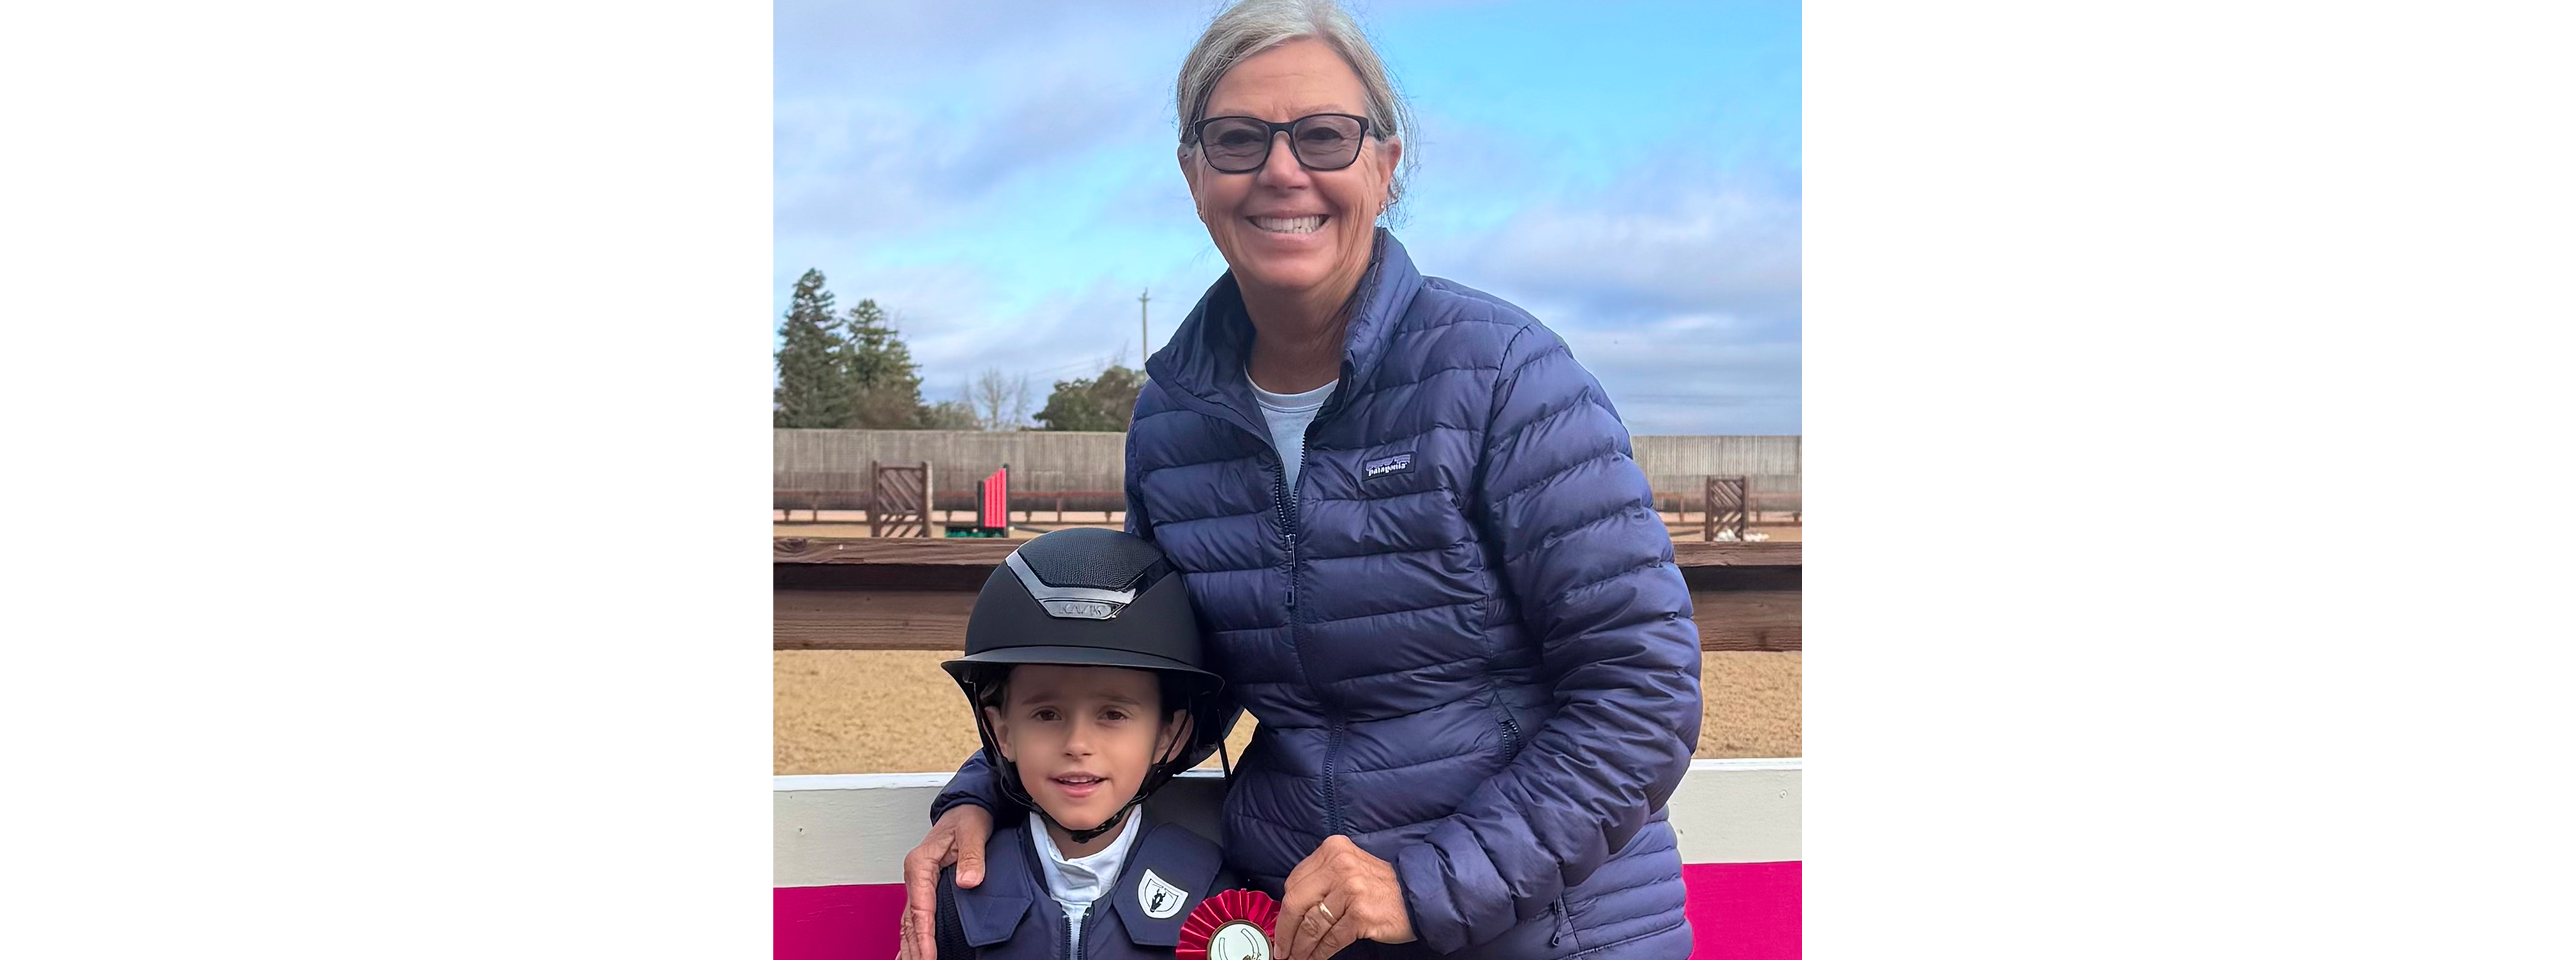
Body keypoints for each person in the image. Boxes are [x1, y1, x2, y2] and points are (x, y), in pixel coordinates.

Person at [902, 2, 1704, 958]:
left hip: (1555, 928)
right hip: (1301, 926)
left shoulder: (1507, 377)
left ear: (1384, 164)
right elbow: (1157, 677)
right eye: (1238, 139)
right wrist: (988, 790)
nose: (1282, 170)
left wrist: (1429, 883)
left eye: (1324, 135)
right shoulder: (1172, 422)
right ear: (1194, 175)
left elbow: (1643, 692)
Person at [924, 528, 1240, 960]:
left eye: (1113, 714)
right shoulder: (960, 897)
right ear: (1001, 732)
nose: (1077, 743)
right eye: (1046, 714)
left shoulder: (1216, 897)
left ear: (1170, 733)